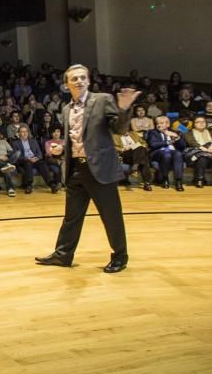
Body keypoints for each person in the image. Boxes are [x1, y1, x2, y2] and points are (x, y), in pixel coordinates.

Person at [36, 64, 139, 274]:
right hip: (76, 170)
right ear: (67, 84)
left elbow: (118, 129)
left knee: (111, 216)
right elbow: (78, 138)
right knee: (71, 217)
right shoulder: (66, 109)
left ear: (89, 81)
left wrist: (124, 108)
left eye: (83, 77)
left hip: (100, 170)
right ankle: (63, 255)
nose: (79, 81)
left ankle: (120, 257)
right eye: (74, 79)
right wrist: (61, 147)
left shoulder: (102, 100)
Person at [11, 126, 59, 194]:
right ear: (19, 134)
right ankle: (29, 186)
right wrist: (27, 158)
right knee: (28, 163)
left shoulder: (33, 141)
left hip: (35, 159)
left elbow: (39, 153)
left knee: (42, 163)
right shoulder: (15, 143)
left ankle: (52, 185)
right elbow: (17, 156)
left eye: (26, 131)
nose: (25, 133)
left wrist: (36, 158)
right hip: (24, 160)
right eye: (22, 132)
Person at [147, 115, 186, 191]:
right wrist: (168, 142)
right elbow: (153, 145)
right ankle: (165, 179)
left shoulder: (175, 132)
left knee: (178, 154)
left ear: (168, 124)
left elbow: (183, 146)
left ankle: (178, 181)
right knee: (166, 154)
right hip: (158, 153)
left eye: (162, 123)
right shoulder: (152, 132)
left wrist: (175, 136)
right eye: (158, 123)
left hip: (173, 152)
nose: (159, 125)